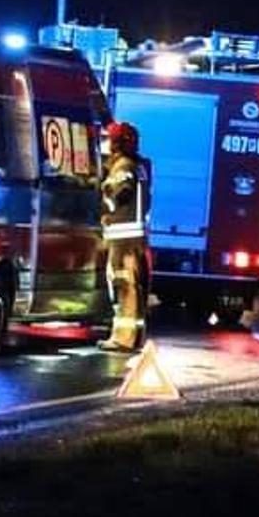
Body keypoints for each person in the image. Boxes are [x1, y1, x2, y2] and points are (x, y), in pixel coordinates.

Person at [99, 121, 151, 352]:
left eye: (109, 140)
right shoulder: (137, 165)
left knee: (124, 287)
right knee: (133, 290)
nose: (106, 144)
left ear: (117, 143)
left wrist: (103, 203)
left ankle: (123, 339)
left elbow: (122, 193)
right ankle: (134, 337)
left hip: (123, 240)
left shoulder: (123, 167)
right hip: (134, 239)